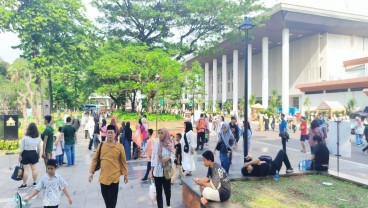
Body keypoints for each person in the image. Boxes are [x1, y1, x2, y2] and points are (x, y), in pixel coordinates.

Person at [89, 125, 129, 208]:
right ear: (106, 134)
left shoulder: (120, 147)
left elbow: (123, 161)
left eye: (111, 133)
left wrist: (126, 174)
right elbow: (95, 160)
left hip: (114, 179)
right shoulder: (101, 145)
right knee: (107, 202)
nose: (110, 134)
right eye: (108, 133)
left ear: (115, 134)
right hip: (103, 179)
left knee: (111, 204)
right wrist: (91, 172)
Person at [149, 128, 175, 208]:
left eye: (161, 133)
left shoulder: (170, 145)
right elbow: (153, 158)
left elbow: (173, 156)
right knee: (158, 192)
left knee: (167, 190)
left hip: (166, 171)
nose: (160, 135)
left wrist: (169, 158)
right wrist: (151, 170)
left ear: (165, 134)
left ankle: (168, 204)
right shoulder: (157, 144)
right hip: (157, 171)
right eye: (159, 133)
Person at [18, 123, 41, 189]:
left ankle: (24, 184)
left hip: (26, 153)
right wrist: (38, 154)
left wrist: (20, 155)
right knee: (34, 169)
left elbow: (21, 148)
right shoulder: (38, 137)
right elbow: (39, 147)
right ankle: (35, 182)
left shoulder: (25, 138)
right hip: (34, 153)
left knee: (26, 170)